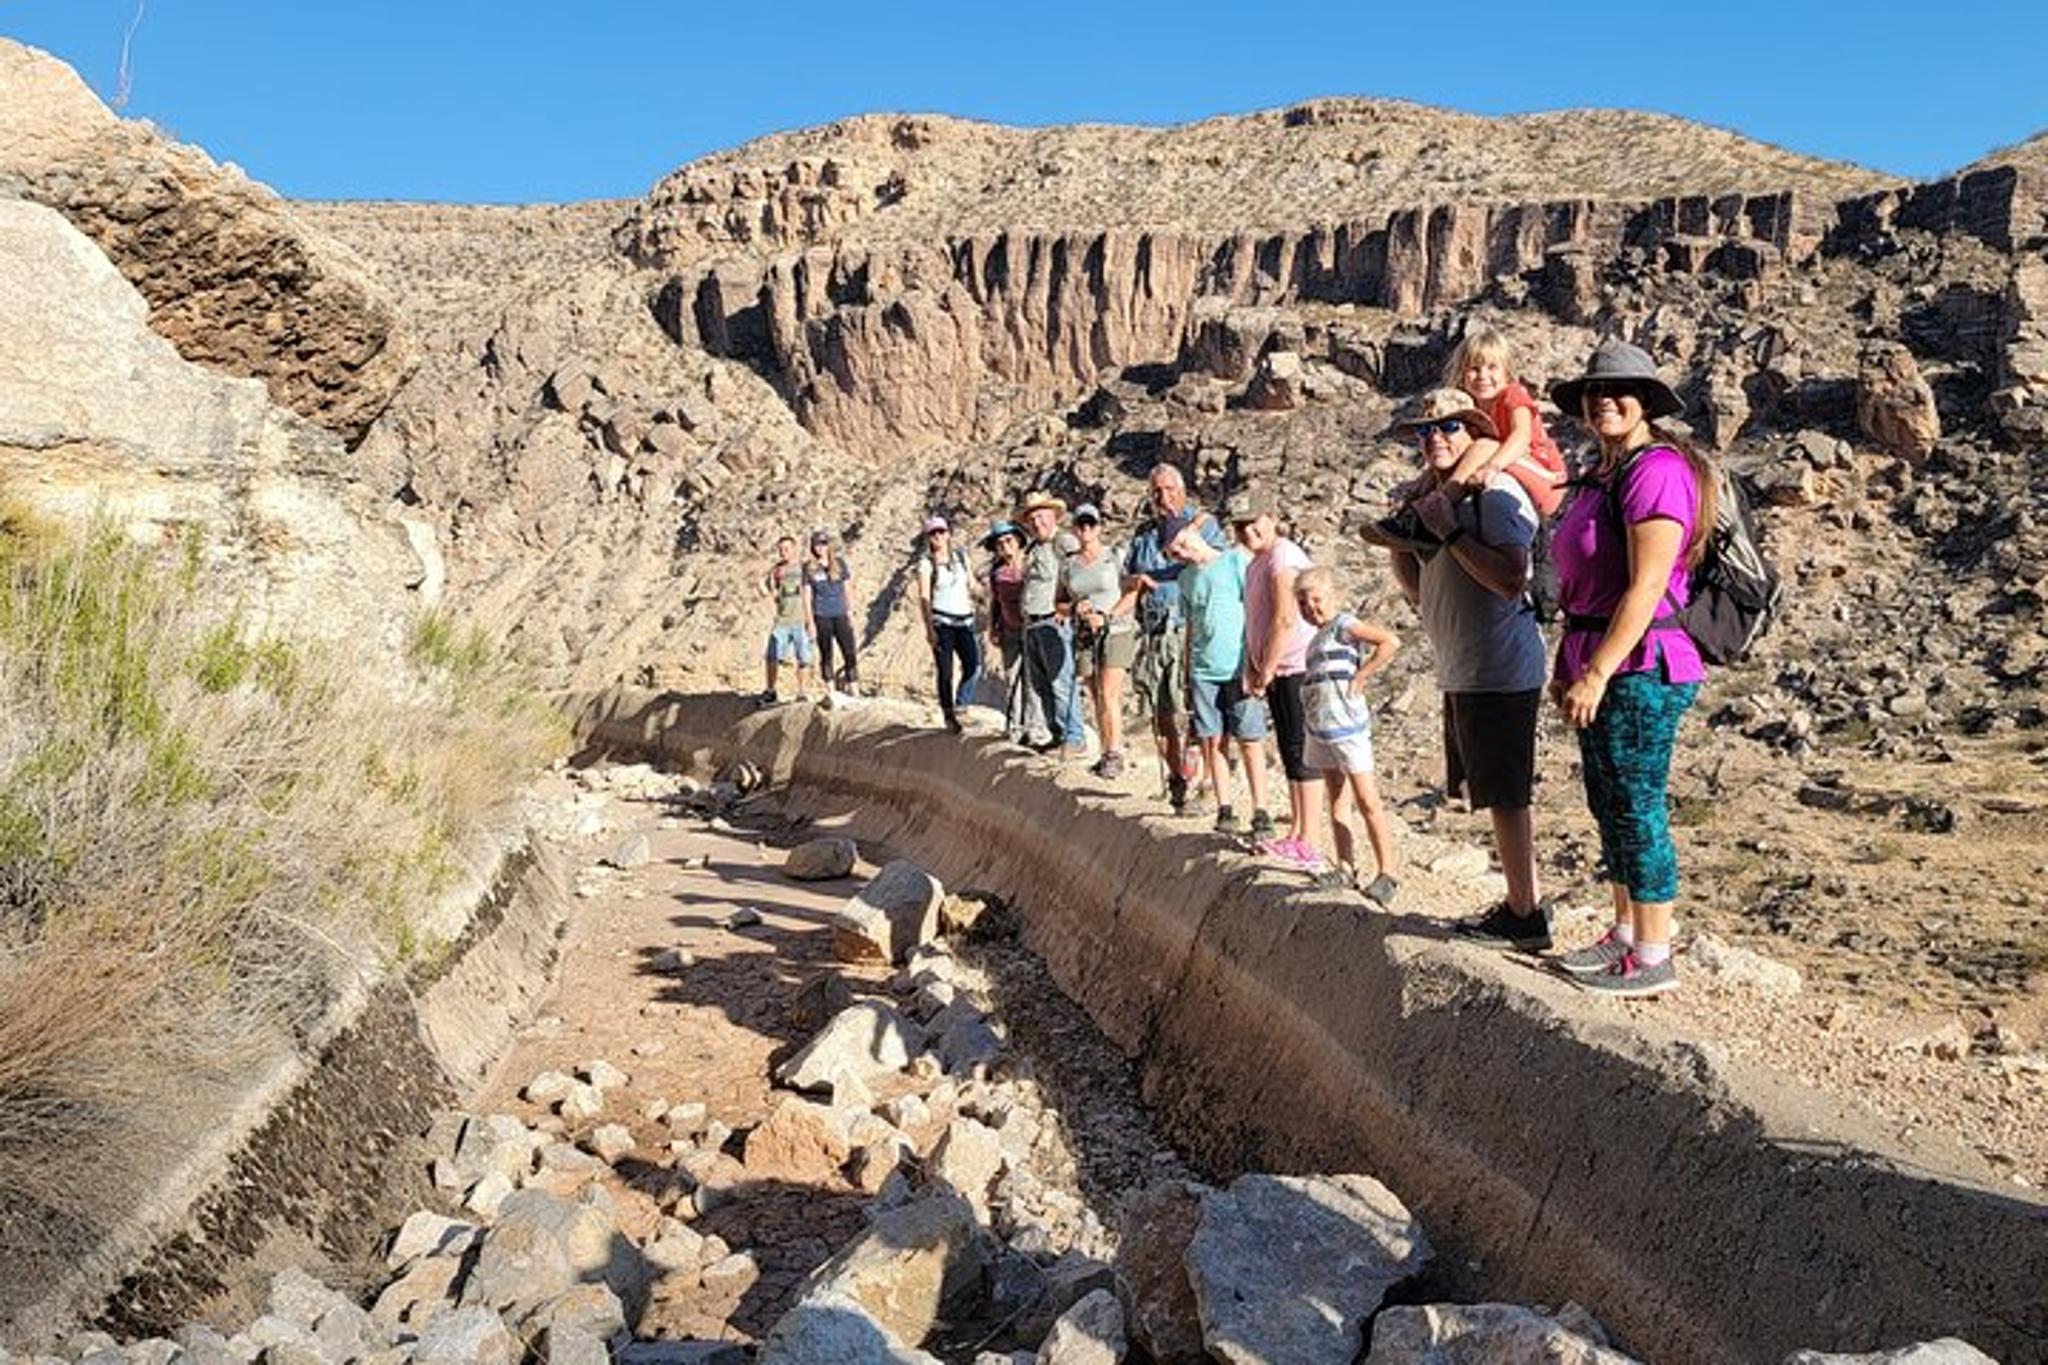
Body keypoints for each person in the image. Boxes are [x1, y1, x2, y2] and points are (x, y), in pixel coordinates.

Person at [1547, 338, 1715, 997]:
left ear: (1645, 401)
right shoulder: (1603, 473)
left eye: (1619, 391)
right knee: (1609, 798)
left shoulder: (1658, 471)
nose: (1604, 401)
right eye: (1595, 391)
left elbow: (1645, 588)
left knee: (1638, 802)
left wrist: (1597, 673)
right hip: (1599, 658)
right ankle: (1623, 932)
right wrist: (1571, 665)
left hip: (1643, 665)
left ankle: (1653, 953)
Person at [1371, 388, 1550, 948]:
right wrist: (1404, 538)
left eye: (1449, 428)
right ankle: (1523, 903)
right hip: (1465, 666)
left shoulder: (1493, 494)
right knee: (1495, 792)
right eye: (1426, 431)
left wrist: (1448, 530)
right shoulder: (1438, 501)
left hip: (1500, 665)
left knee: (1507, 793)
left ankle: (1525, 913)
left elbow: (1510, 577)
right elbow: (1420, 591)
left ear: (1474, 432)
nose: (1435, 439)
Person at [1123, 464, 1228, 810]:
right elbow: (1127, 576)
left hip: (1190, 626)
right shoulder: (1144, 535)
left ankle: (1208, 782)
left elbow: (1218, 566)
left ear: (1182, 491)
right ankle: (1177, 779)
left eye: (1169, 489)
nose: (1163, 497)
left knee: (1199, 706)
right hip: (1152, 630)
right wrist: (1136, 582)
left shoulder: (1203, 526)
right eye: (1156, 491)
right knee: (1160, 708)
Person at [1296, 566, 1401, 906]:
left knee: (1367, 799)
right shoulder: (1315, 640)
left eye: (1316, 600)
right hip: (1321, 729)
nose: (1310, 608)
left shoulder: (1344, 625)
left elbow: (1389, 641)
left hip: (1347, 727)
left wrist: (1363, 674)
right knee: (1337, 798)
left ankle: (1388, 872)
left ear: (1332, 597)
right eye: (1303, 603)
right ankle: (1345, 866)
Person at [1231, 488, 1322, 869]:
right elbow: (1257, 619)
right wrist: (1255, 665)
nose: (1247, 532)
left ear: (1270, 519)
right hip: (1278, 669)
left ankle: (1310, 839)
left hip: (1296, 666)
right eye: (1240, 526)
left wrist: (1265, 666)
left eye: (1253, 523)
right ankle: (1297, 832)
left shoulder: (1282, 557)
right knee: (1289, 748)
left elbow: (1285, 617)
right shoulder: (1257, 562)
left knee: (1302, 749)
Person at [1169, 523, 1274, 840]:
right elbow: (1190, 625)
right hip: (1204, 670)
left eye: (1182, 542)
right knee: (1213, 739)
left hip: (1238, 666)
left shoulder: (1234, 561)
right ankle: (1224, 807)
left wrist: (1255, 661)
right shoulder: (1185, 579)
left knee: (1250, 739)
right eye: (1174, 551)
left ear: (1194, 533)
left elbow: (1255, 608)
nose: (1181, 551)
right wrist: (1187, 671)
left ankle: (1261, 809)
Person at [1440, 327, 1567, 517]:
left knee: (1484, 446)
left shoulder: (1512, 395)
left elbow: (1521, 436)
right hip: (1512, 469)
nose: (1483, 376)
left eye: (1492, 367)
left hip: (1547, 480)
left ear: (1507, 371)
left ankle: (1441, 504)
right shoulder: (1469, 406)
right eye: (1474, 369)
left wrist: (1491, 467)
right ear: (1461, 373)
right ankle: (1417, 501)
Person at [1063, 504, 1135, 777]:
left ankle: (1115, 753)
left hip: (1116, 630)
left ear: (1099, 527)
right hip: (1084, 635)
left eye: (1090, 524)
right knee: (1096, 695)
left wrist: (1107, 616)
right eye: (1080, 524)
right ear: (1074, 528)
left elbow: (1132, 592)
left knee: (1109, 692)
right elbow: (1059, 602)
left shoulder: (1115, 556)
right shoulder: (1068, 564)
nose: (1085, 529)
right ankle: (1106, 753)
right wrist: (1074, 608)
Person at [1018, 492, 1086, 755]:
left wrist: (1067, 607)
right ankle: (1057, 734)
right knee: (1041, 683)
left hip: (1053, 621)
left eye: (1041, 516)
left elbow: (1079, 573)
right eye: (1032, 519)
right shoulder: (1033, 548)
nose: (1037, 523)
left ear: (1054, 516)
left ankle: (1074, 736)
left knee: (1061, 682)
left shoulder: (1064, 542)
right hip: (1033, 623)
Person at [915, 514, 980, 733]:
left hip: (964, 620)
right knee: (946, 671)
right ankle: (949, 715)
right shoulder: (926, 563)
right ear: (928, 537)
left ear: (948, 534)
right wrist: (929, 629)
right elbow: (924, 596)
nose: (938, 536)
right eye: (933, 533)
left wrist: (990, 595)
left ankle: (962, 704)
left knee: (973, 665)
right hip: (942, 622)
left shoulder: (961, 557)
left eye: (941, 531)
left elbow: (972, 584)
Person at [983, 521, 1042, 744]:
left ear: (1018, 541)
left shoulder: (1030, 565)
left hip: (1033, 629)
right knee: (1012, 678)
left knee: (1033, 680)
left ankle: (1034, 727)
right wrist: (992, 627)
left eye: (1008, 540)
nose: (1004, 546)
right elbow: (995, 602)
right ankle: (1015, 726)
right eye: (999, 543)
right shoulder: (997, 573)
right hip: (1009, 631)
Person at [759, 534, 814, 703]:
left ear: (795, 549)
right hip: (782, 620)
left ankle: (802, 692)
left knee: (803, 657)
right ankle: (771, 690)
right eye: (781, 549)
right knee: (772, 655)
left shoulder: (804, 568)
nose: (784, 552)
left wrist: (811, 620)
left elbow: (812, 591)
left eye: (787, 549)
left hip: (801, 619)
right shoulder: (777, 570)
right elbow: (768, 588)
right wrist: (767, 591)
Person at [805, 529, 860, 694]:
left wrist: (851, 612)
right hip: (822, 615)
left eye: (823, 544)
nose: (820, 547)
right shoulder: (809, 568)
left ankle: (853, 685)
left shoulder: (839, 564)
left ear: (828, 545)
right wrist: (810, 622)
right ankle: (830, 688)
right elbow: (806, 596)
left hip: (840, 613)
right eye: (816, 544)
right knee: (826, 653)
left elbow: (847, 589)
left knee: (849, 651)